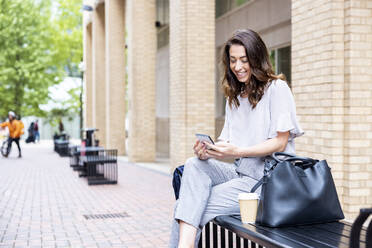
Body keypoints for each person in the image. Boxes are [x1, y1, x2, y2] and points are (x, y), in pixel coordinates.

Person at [169, 29, 304, 248]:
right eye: (233, 60)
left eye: (244, 60)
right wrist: (208, 150)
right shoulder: (234, 97)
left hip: (268, 183)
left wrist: (237, 152)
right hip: (240, 175)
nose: (238, 66)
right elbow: (227, 144)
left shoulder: (277, 89)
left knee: (186, 206)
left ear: (257, 58)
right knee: (194, 164)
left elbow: (280, 142)